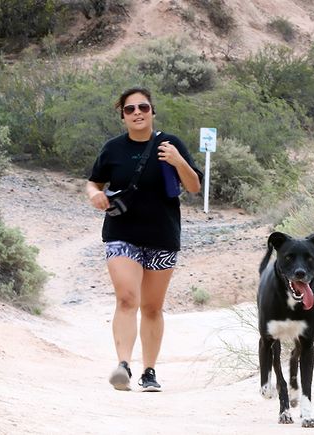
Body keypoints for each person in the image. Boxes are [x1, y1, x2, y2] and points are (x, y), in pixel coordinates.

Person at [86, 87, 202, 392]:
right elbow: (93, 181)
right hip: (121, 233)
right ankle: (123, 364)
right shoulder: (113, 149)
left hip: (162, 236)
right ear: (122, 115)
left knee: (152, 307)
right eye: (130, 109)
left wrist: (178, 161)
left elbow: (193, 187)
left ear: (152, 111)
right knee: (127, 298)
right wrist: (96, 195)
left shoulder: (170, 144)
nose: (137, 113)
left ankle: (149, 371)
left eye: (143, 107)